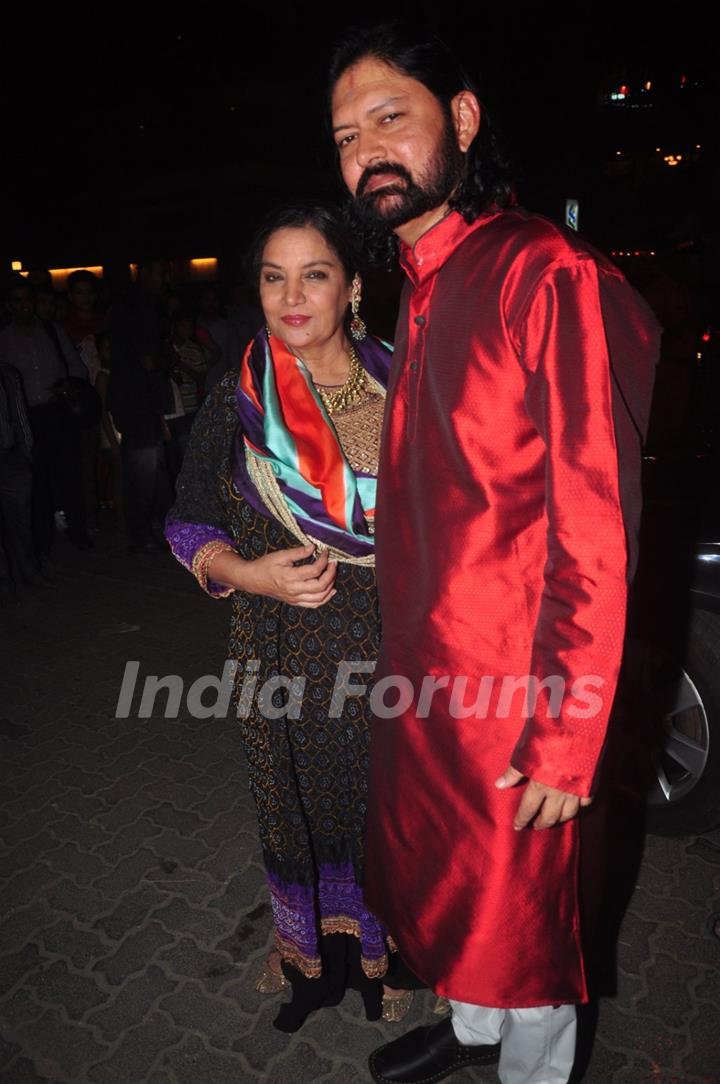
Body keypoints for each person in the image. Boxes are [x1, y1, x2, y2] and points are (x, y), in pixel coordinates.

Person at [329, 24, 661, 1084]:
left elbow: (595, 512)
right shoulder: (421, 284)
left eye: (393, 118)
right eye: (347, 135)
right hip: (431, 684)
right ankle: (470, 1031)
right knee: (452, 883)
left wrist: (571, 732)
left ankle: (531, 1067)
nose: (369, 150)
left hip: (521, 690)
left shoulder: (538, 269)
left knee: (530, 922)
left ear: (461, 120)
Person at [165, 205, 411, 1031]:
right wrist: (247, 572)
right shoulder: (236, 396)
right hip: (275, 651)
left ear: (352, 288)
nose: (292, 296)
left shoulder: (402, 381)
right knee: (294, 812)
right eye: (275, 277)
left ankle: (387, 964)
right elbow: (188, 518)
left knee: (384, 815)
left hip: (391, 650)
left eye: (315, 275)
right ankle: (311, 969)